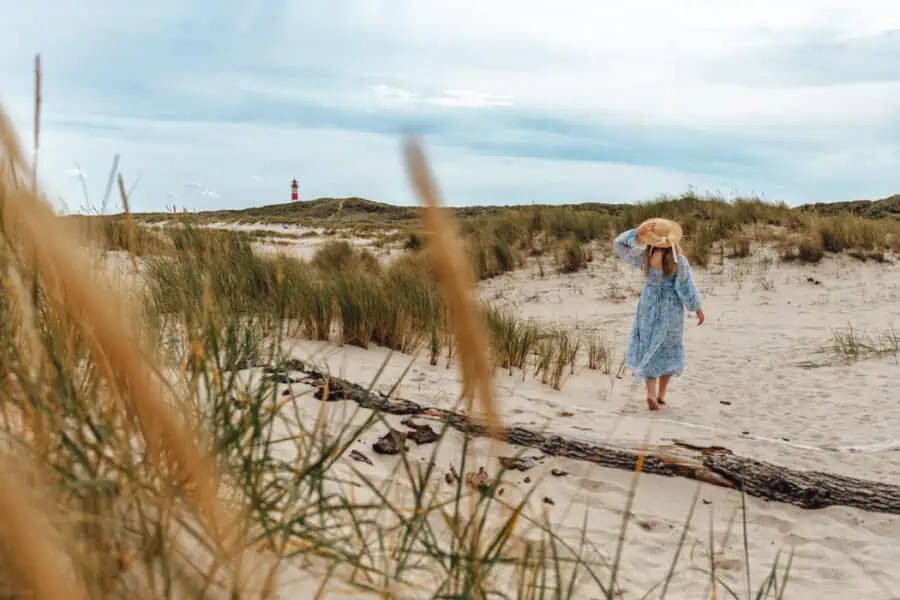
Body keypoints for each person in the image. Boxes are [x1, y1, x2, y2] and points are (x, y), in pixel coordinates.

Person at [613, 218, 705, 411]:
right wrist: (697, 308)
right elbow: (686, 287)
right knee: (669, 348)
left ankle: (650, 394)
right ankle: (661, 395)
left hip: (648, 305)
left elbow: (619, 245)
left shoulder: (644, 256)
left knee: (648, 344)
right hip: (670, 307)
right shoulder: (678, 261)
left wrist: (636, 232)